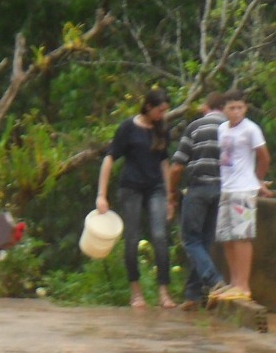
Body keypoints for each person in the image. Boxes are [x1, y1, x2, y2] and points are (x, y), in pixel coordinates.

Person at [96, 90, 176, 308]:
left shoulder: (162, 129)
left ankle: (164, 292)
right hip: (131, 188)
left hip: (156, 188)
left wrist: (170, 196)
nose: (162, 115)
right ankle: (136, 292)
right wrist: (101, 195)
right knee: (132, 239)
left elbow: (164, 163)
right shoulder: (128, 128)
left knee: (160, 236)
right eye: (160, 110)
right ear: (148, 107)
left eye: (165, 111)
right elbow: (109, 158)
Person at [166, 92, 227, 309]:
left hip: (199, 188)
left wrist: (171, 192)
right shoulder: (231, 128)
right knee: (205, 241)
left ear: (206, 106)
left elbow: (177, 167)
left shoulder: (195, 127)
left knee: (191, 240)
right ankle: (193, 295)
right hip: (223, 190)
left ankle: (214, 280)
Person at [212, 90, 269, 303]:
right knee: (226, 237)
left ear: (245, 108)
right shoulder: (222, 129)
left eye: (240, 108)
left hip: (243, 188)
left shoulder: (251, 129)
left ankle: (244, 286)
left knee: (242, 236)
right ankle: (234, 282)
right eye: (232, 108)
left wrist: (258, 179)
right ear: (224, 110)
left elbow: (264, 157)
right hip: (226, 187)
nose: (236, 112)